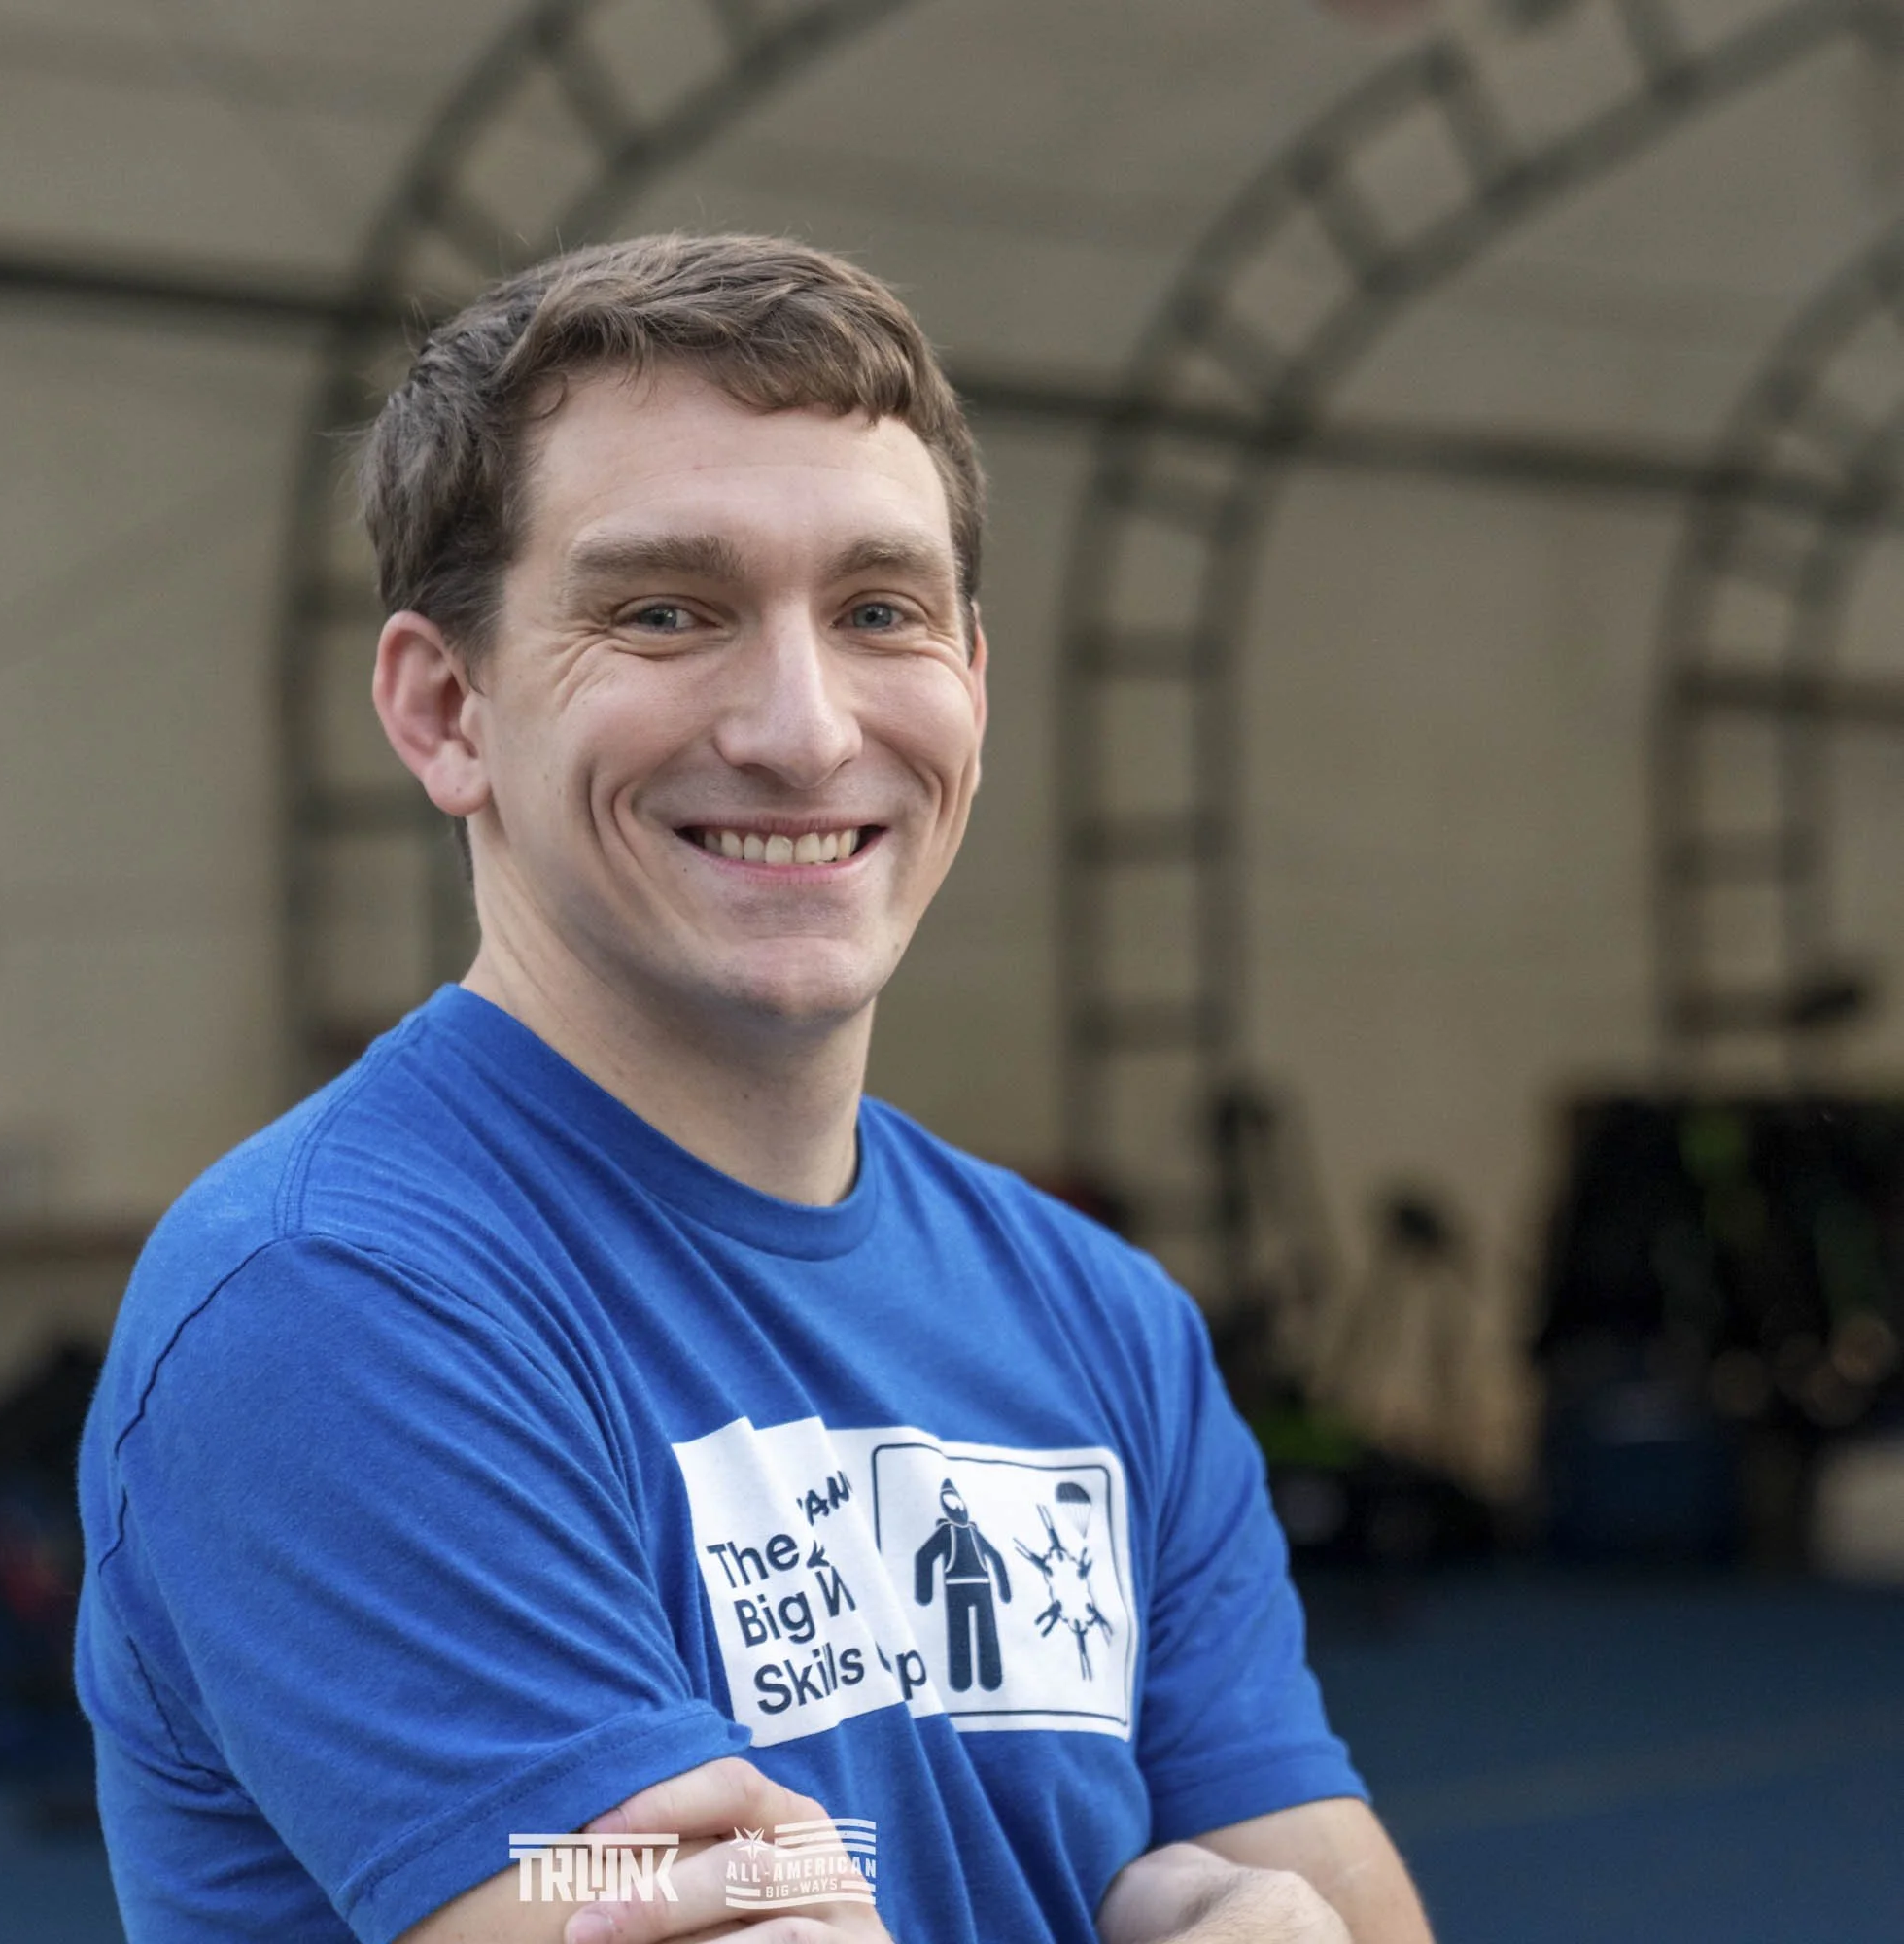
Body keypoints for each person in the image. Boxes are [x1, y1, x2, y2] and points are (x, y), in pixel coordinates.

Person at [76, 235, 1435, 1944]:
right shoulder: (332, 1303)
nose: (804, 731)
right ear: (446, 711)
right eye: (665, 612)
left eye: (879, 614)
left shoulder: (1103, 1321)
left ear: (973, 687)